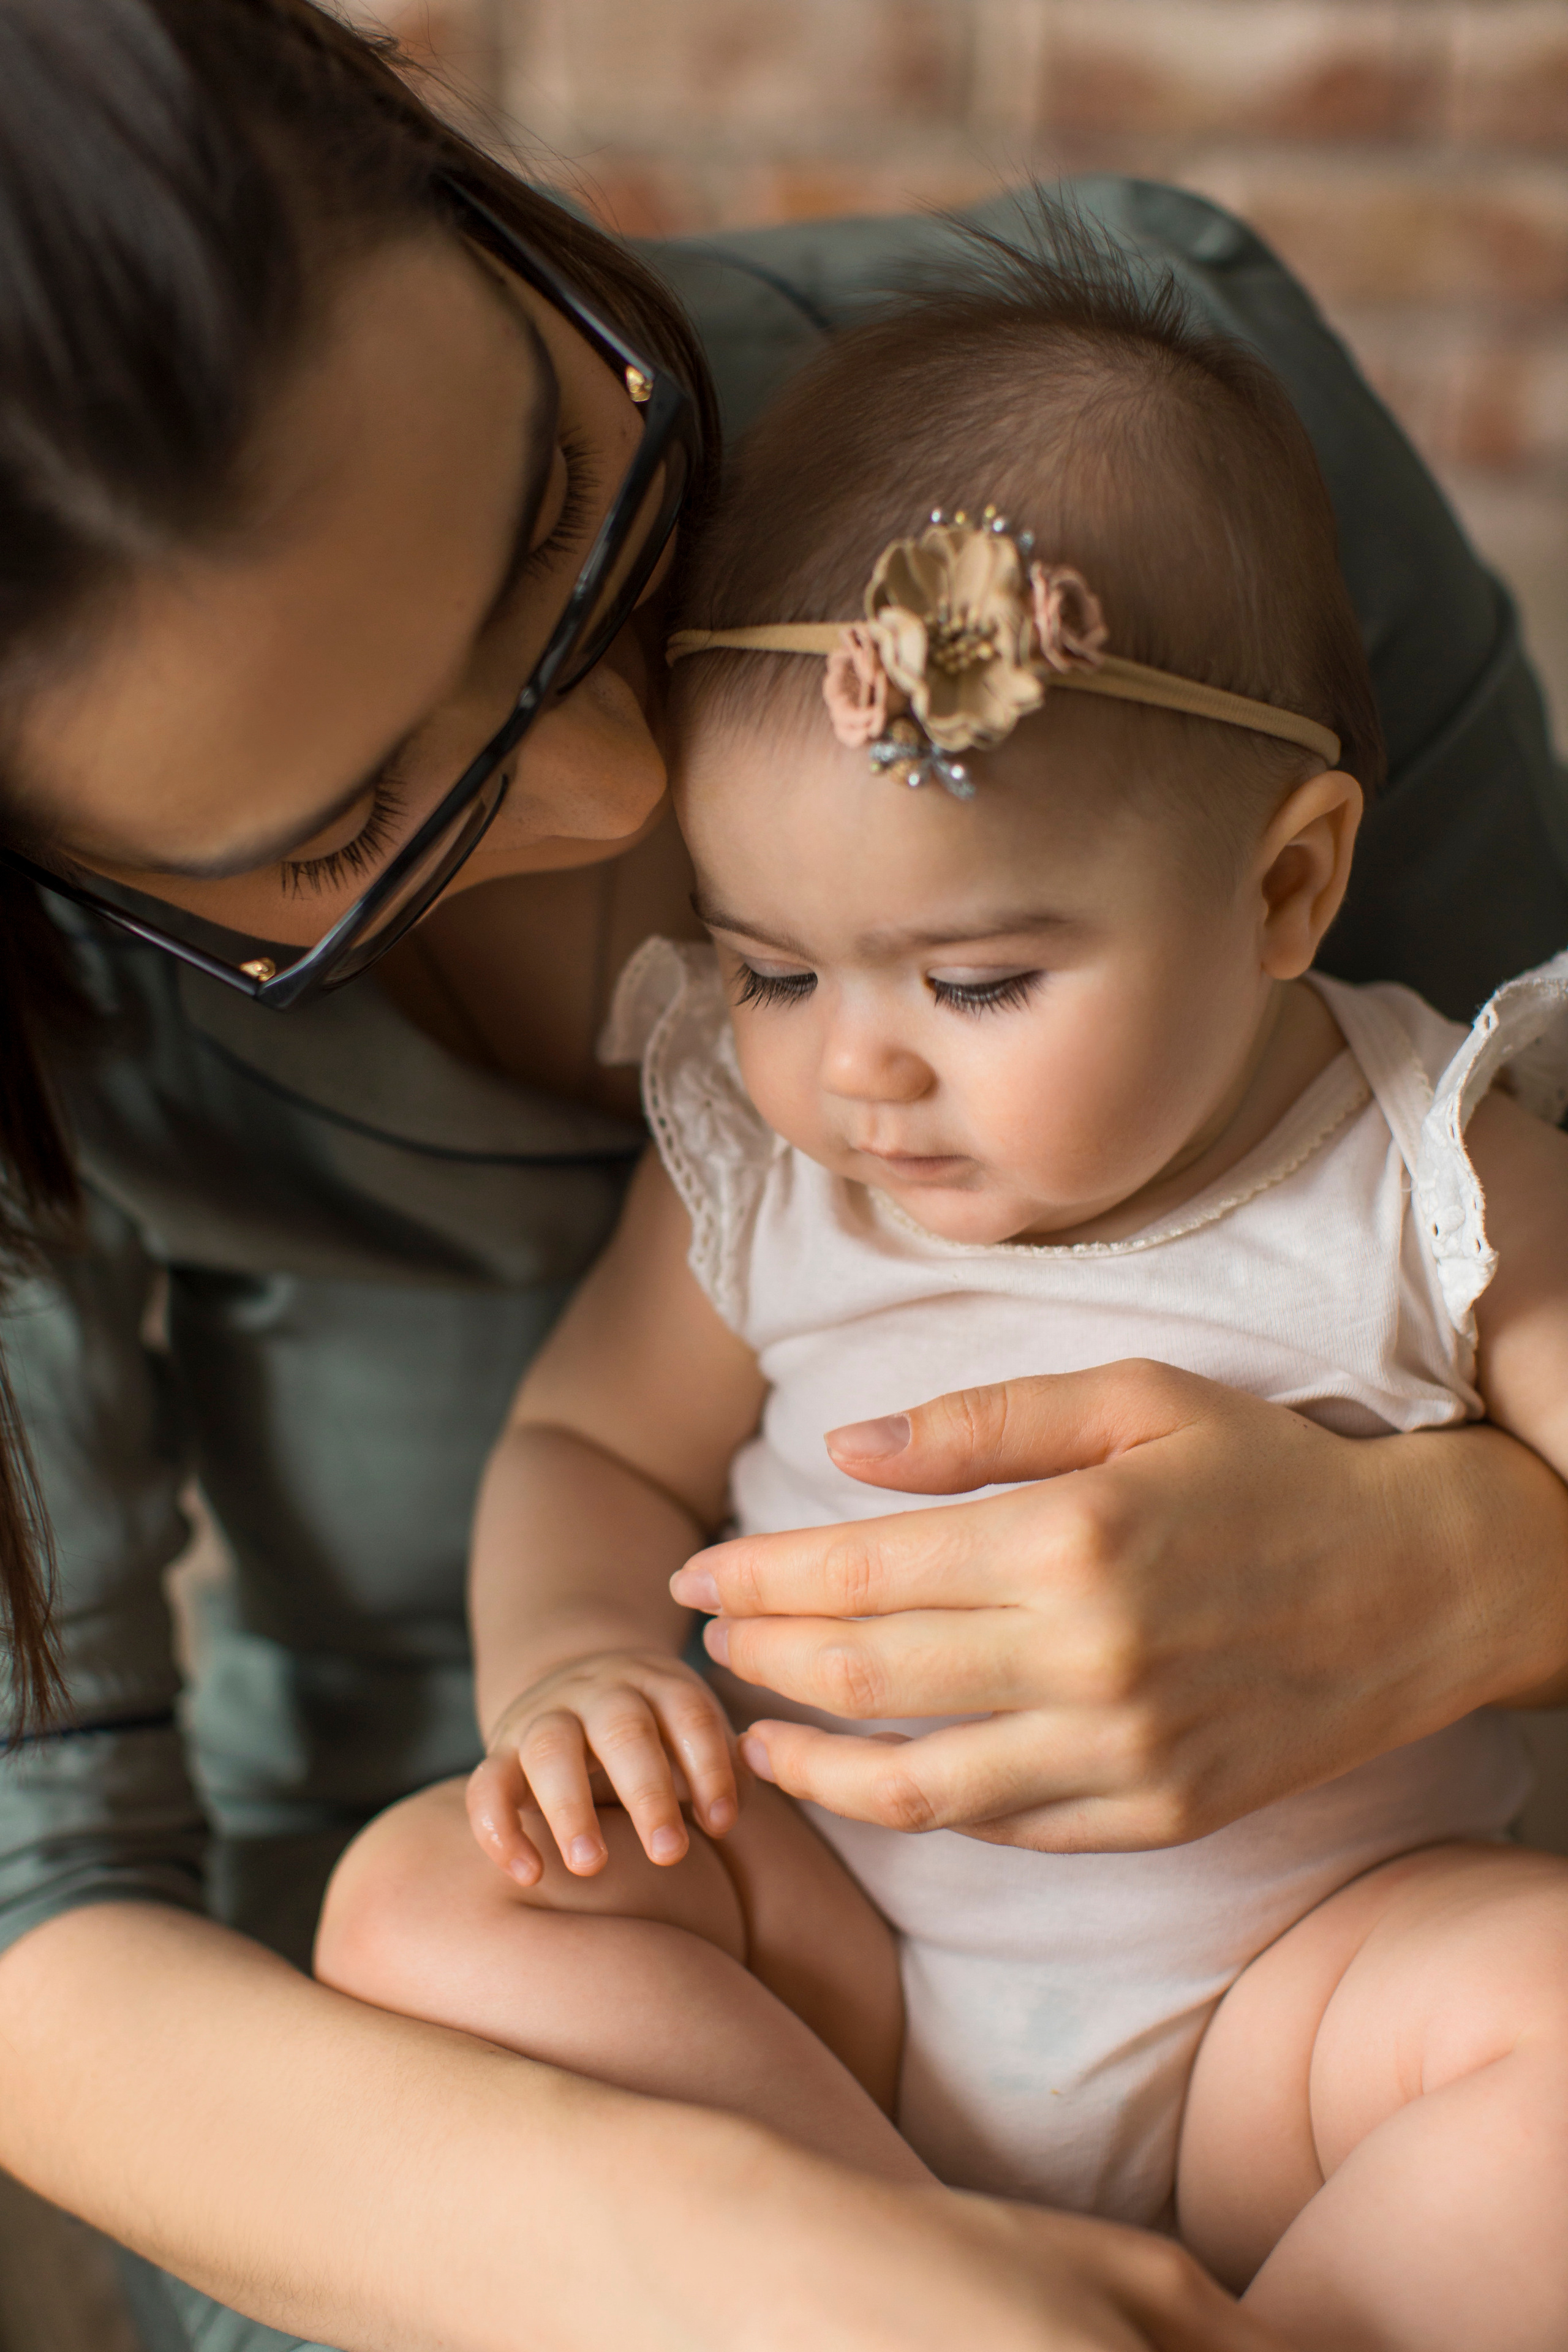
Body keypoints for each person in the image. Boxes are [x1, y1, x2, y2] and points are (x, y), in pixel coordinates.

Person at [0, 2, 1563, 2348]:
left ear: (1282, 888)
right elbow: (577, 1457)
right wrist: (579, 1676)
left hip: (1313, 1991)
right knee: (430, 1910)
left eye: (556, 514)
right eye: (340, 836)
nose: (624, 790)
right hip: (804, 1993)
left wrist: (1478, 1569)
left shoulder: (1423, 1131)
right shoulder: (763, 1165)